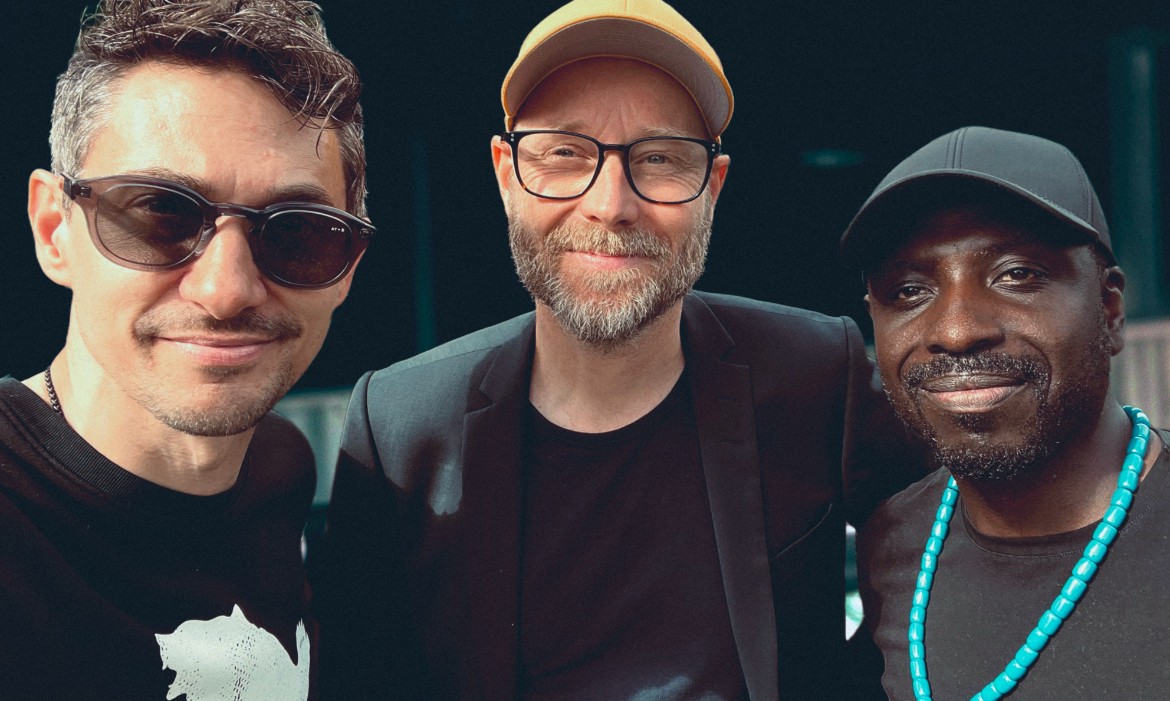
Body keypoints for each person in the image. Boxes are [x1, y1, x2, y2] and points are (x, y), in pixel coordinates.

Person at [313, 1, 914, 699]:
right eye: (565, 153)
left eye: (659, 158)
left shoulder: (818, 373)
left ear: (713, 187)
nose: (611, 204)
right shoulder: (398, 427)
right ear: (506, 175)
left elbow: (953, 560)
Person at [1, 0, 373, 698]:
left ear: (349, 263)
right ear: (54, 229)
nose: (225, 291)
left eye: (295, 231)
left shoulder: (279, 469)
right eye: (160, 212)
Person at [842, 126, 1170, 700]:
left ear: (1110, 309)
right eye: (908, 291)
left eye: (1017, 274)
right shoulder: (891, 544)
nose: (956, 331)